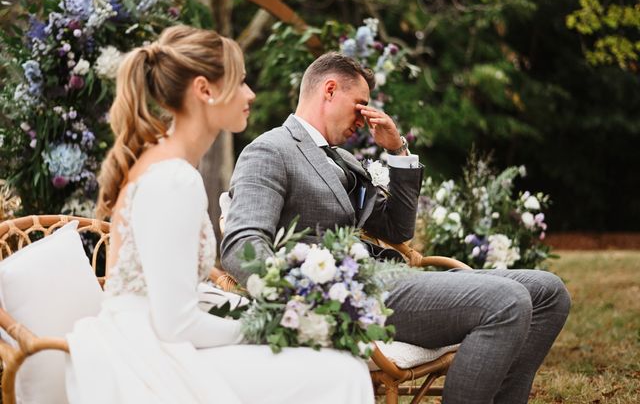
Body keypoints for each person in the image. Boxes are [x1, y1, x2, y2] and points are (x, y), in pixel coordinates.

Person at [220, 51, 571, 404]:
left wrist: (398, 150)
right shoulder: (270, 150)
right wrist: (299, 299)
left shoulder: (342, 159)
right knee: (506, 301)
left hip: (391, 277)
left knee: (549, 292)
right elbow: (241, 245)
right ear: (329, 90)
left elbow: (397, 230)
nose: (363, 118)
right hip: (350, 293)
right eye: (359, 105)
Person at [65, 27, 374, 404]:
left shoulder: (171, 165)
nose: (250, 94)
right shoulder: (173, 180)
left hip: (155, 336)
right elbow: (176, 324)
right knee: (341, 373)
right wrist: (277, 327)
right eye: (241, 81)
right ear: (205, 90)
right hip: (146, 355)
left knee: (340, 365)